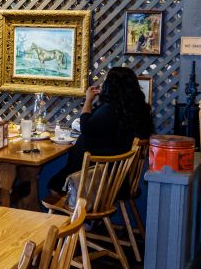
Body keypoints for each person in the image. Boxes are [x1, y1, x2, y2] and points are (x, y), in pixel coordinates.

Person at [48, 67, 154, 195]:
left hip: (99, 178)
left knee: (54, 185)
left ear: (111, 86)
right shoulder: (140, 109)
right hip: (119, 176)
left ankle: (76, 213)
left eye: (105, 81)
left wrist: (88, 100)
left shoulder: (111, 109)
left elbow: (86, 128)